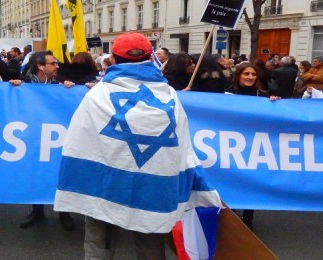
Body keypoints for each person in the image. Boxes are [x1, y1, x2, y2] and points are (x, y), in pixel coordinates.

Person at [53, 32, 222, 259]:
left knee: (100, 243)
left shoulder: (98, 95)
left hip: (106, 185)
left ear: (112, 59)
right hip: (153, 187)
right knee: (150, 243)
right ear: (149, 58)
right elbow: (181, 146)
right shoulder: (169, 95)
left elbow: (80, 141)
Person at [9, 50, 75, 231]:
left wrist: (70, 90)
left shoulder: (58, 85)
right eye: (53, 63)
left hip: (56, 139)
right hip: (32, 139)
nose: (57, 66)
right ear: (40, 66)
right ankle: (37, 211)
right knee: (35, 173)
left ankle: (64, 212)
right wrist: (14, 87)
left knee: (59, 173)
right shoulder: (25, 84)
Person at [227, 62, 280, 230]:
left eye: (253, 74)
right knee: (232, 180)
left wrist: (275, 102)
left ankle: (248, 218)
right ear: (238, 75)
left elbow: (275, 115)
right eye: (246, 74)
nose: (250, 77)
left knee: (251, 181)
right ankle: (231, 216)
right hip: (231, 144)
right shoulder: (226, 95)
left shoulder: (263, 95)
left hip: (254, 145)